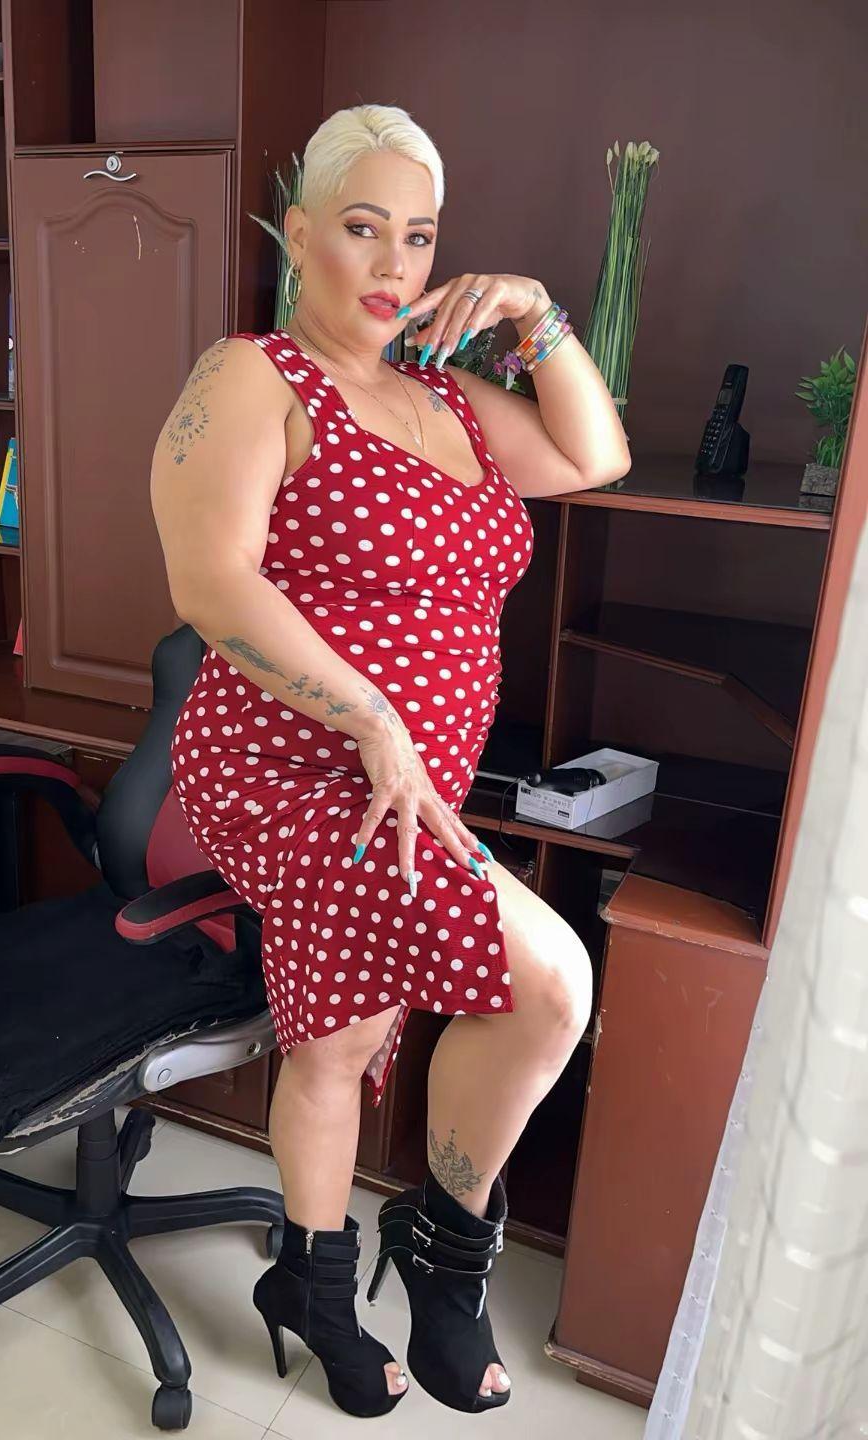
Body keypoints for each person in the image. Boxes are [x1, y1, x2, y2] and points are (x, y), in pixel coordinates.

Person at [152, 103, 631, 1418]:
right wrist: (370, 720)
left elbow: (596, 454)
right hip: (284, 768)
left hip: (417, 780)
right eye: (362, 227)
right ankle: (438, 1254)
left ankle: (324, 1277)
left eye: (418, 237)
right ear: (297, 231)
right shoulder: (254, 376)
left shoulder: (451, 400)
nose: (392, 263)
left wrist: (535, 317)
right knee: (551, 985)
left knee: (352, 1024)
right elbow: (211, 583)